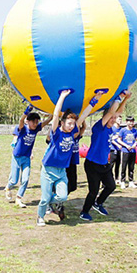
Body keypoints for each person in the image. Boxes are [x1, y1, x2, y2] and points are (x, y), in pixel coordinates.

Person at [37, 90, 98, 226]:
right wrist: (62, 96)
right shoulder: (56, 133)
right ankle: (40, 216)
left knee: (62, 196)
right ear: (62, 123)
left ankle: (47, 201)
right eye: (68, 123)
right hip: (48, 170)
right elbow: (55, 114)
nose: (71, 126)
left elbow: (83, 116)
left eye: (73, 124)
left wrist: (95, 100)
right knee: (46, 198)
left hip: (61, 172)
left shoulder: (72, 134)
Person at [80, 91, 131, 221]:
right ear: (106, 117)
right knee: (93, 190)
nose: (114, 119)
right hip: (92, 164)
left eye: (115, 118)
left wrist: (125, 99)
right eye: (111, 118)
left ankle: (98, 203)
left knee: (111, 186)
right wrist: (119, 98)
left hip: (104, 164)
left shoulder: (111, 128)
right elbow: (111, 112)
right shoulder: (99, 127)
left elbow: (118, 112)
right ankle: (84, 212)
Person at [5, 107, 52, 207]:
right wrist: (27, 111)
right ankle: (8, 187)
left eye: (37, 122)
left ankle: (19, 198)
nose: (35, 124)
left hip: (26, 158)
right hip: (17, 157)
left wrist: (50, 112)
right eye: (33, 122)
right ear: (28, 121)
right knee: (14, 180)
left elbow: (49, 120)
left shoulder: (36, 129)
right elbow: (21, 120)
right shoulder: (23, 128)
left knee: (25, 179)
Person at [117, 116, 137, 189]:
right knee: (124, 166)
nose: (131, 123)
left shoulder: (135, 131)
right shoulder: (123, 130)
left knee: (131, 166)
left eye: (132, 121)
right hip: (125, 151)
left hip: (133, 151)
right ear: (126, 122)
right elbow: (119, 140)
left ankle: (131, 181)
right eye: (129, 121)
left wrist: (134, 145)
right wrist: (126, 145)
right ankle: (122, 181)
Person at [67, 122, 87, 194]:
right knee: (67, 184)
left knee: (73, 186)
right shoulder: (69, 137)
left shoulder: (77, 138)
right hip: (67, 163)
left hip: (73, 163)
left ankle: (60, 200)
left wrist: (82, 117)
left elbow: (84, 127)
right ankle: (57, 201)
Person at [108, 116, 123, 185]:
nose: (120, 121)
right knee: (111, 165)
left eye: (121, 120)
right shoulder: (112, 129)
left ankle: (117, 178)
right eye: (119, 119)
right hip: (113, 149)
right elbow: (111, 139)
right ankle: (109, 178)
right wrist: (117, 145)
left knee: (118, 164)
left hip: (119, 150)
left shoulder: (121, 129)